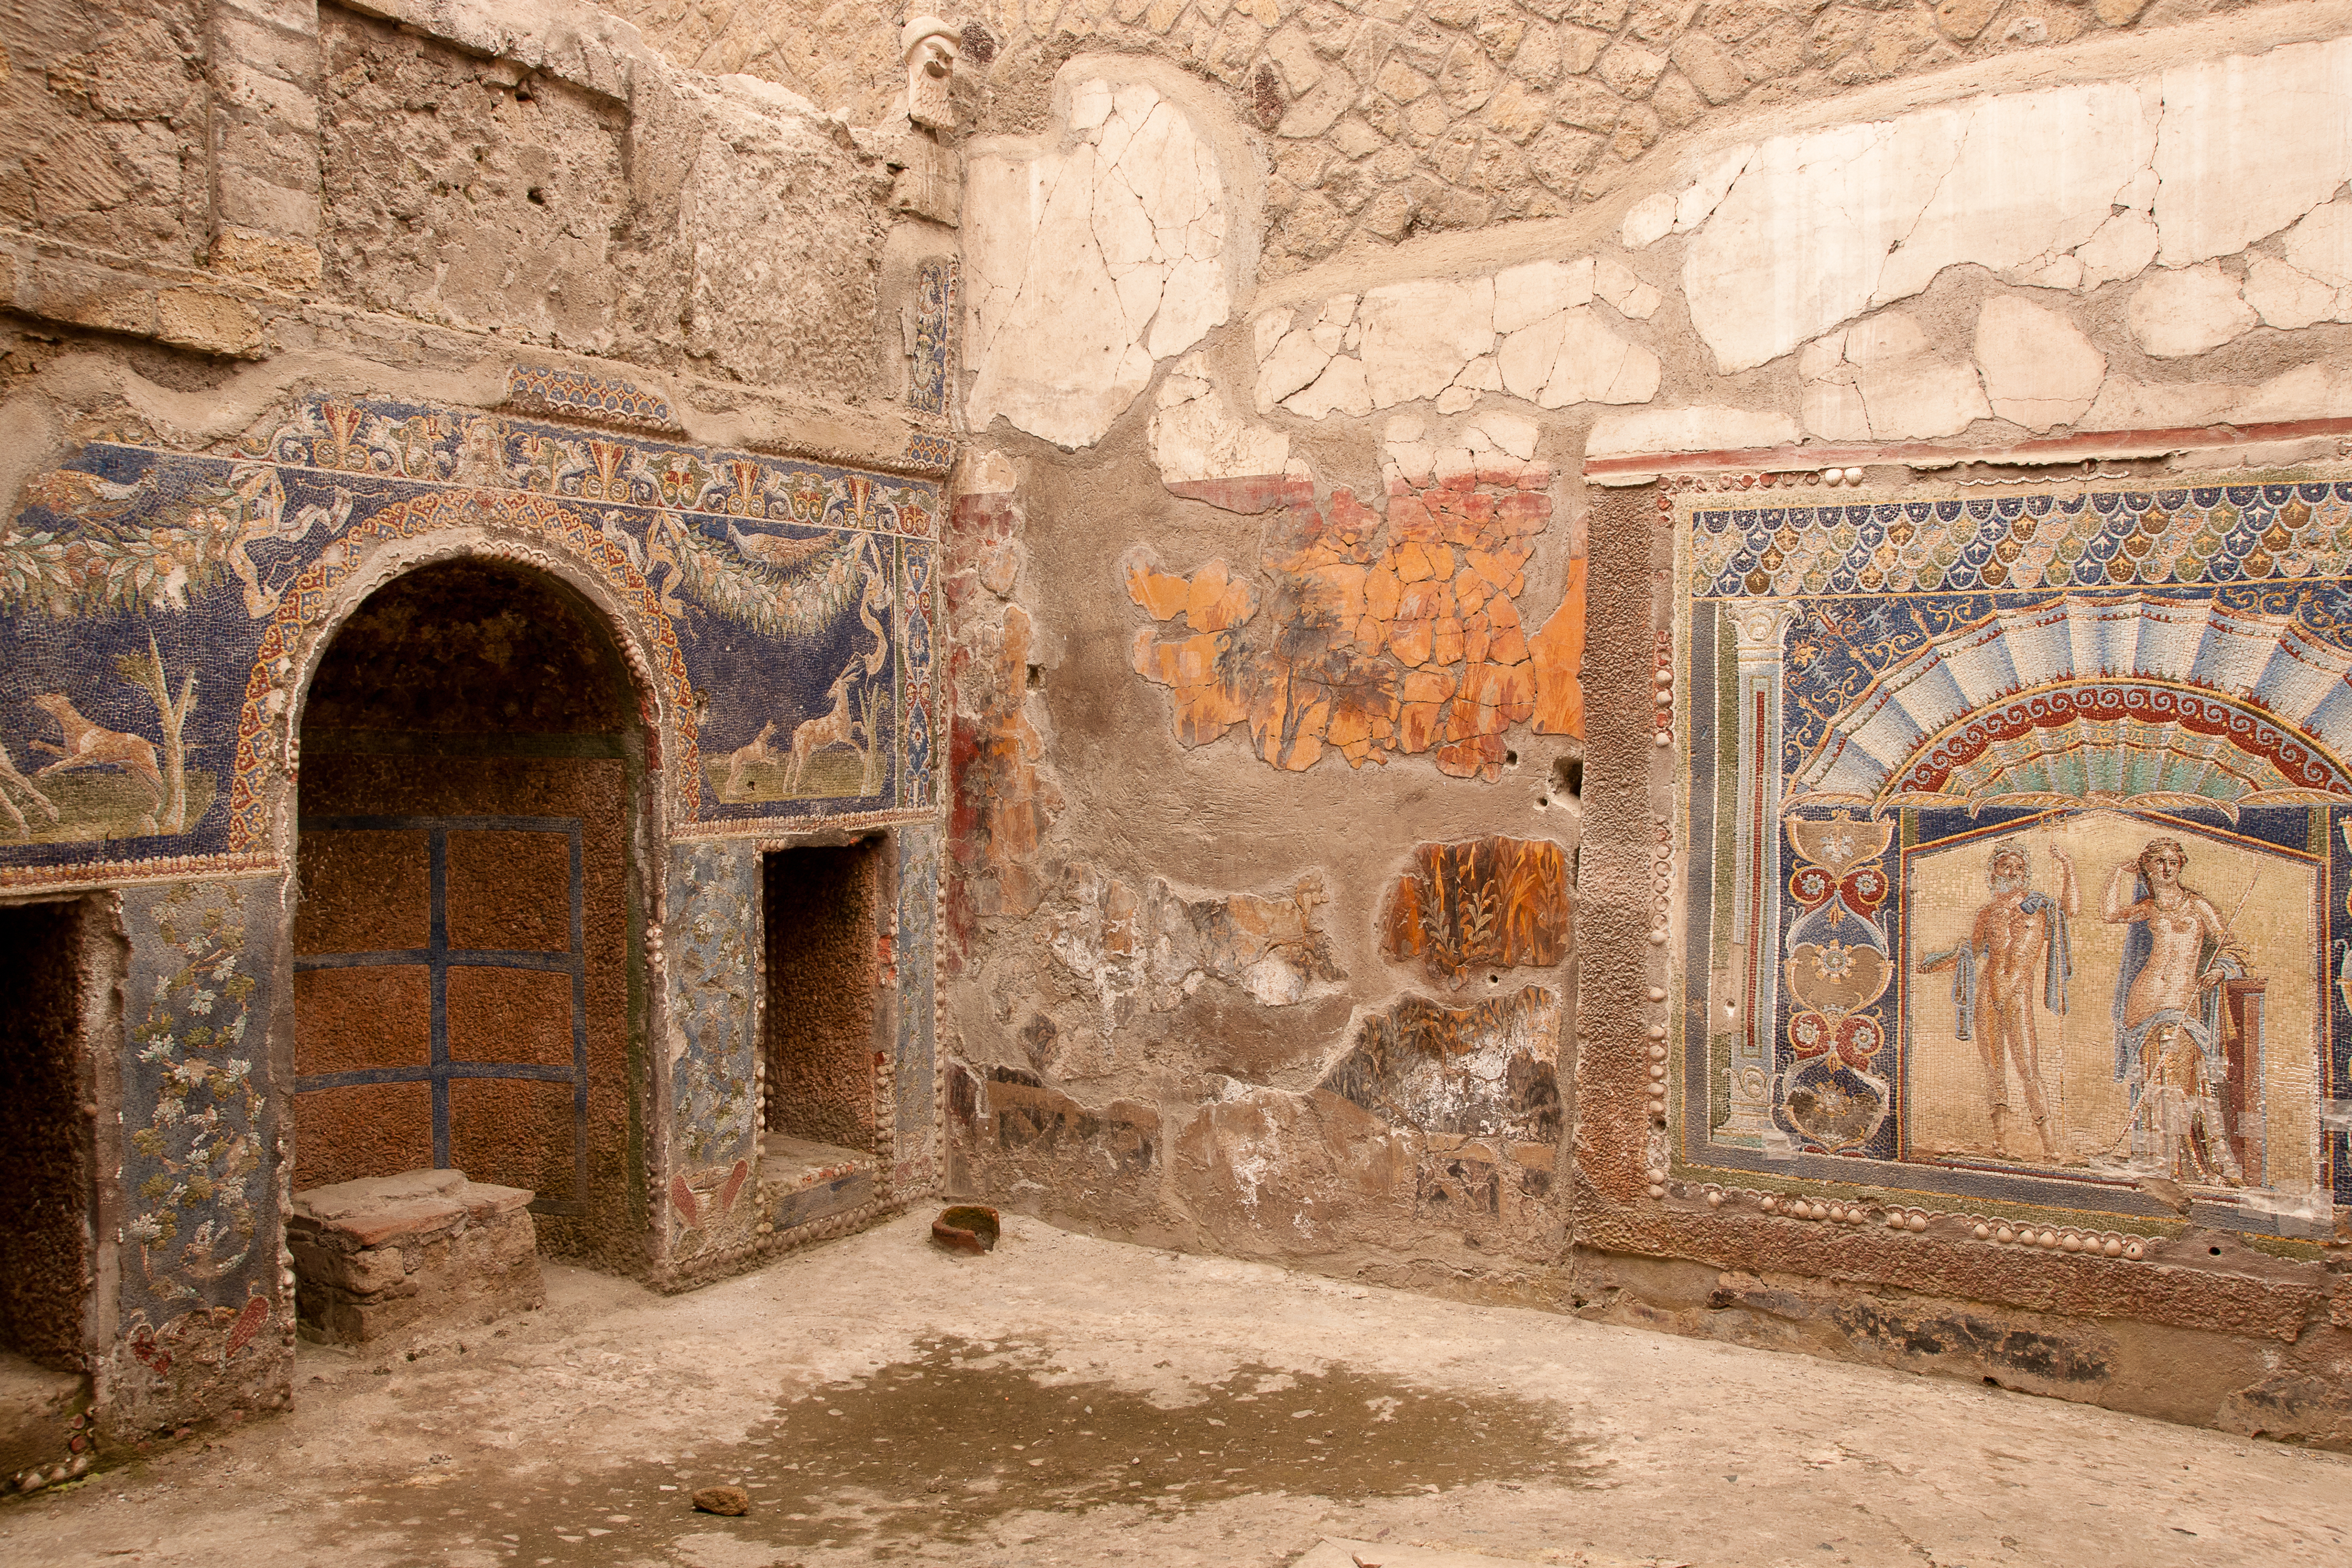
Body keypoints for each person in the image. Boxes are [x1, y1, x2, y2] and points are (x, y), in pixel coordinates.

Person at [2101, 837, 2246, 1185]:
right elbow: (2108, 914)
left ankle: (2186, 1161)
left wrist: (2220, 970)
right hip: (2146, 998)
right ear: (2148, 869)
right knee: (2151, 1081)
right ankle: (2157, 1158)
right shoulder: (2150, 907)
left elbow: (2232, 946)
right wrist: (2117, 875)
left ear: (2181, 865)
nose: (2166, 868)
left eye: (2172, 862)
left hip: (2182, 998)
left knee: (2182, 1081)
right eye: (2158, 863)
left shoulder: (2198, 906)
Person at [1918, 841, 2073, 1159]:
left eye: (2018, 868)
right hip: (1988, 994)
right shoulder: (1987, 914)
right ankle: (2000, 1143)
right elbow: (1972, 953)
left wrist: (2068, 867)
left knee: (2029, 1069)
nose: (2012, 872)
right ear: (1994, 873)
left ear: (2026, 874)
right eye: (2006, 866)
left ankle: (2051, 1147)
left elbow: (2071, 909)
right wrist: (1934, 964)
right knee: (1995, 1070)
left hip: (2017, 994)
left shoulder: (2040, 906)